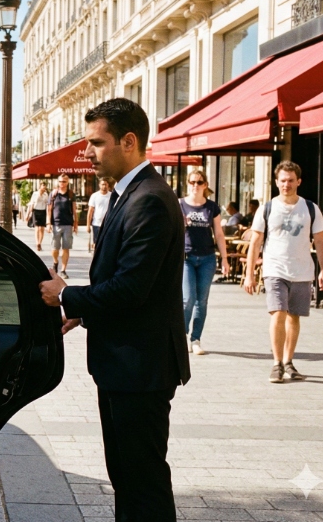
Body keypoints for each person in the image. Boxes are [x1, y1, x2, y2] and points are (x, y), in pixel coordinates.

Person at [39, 98, 190, 522]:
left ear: (128, 141)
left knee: (141, 481)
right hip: (129, 364)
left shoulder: (150, 200)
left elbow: (131, 289)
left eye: (96, 142)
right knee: (127, 475)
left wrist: (68, 297)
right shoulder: (133, 195)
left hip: (140, 368)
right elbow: (125, 282)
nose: (87, 152)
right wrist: (84, 312)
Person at [244, 161, 323, 383]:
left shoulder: (310, 208)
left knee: (294, 318)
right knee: (278, 313)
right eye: (282, 180)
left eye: (291, 180)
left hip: (302, 271)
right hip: (275, 269)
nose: (286, 184)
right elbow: (255, 242)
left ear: (298, 182)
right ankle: (277, 363)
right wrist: (249, 274)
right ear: (276, 182)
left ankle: (289, 361)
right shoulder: (267, 208)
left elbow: (320, 241)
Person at [179, 170, 230, 355]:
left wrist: (224, 259)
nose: (195, 185)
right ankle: (181, 337)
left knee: (202, 301)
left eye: (199, 182)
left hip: (207, 258)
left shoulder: (211, 207)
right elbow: (169, 231)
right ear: (187, 183)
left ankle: (196, 339)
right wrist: (181, 224)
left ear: (205, 185)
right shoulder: (180, 205)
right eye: (192, 182)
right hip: (186, 258)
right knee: (188, 299)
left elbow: (218, 233)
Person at [47, 174, 78, 278]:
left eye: (64, 182)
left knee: (66, 248)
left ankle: (63, 270)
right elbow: (49, 209)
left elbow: (74, 210)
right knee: (55, 248)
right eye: (60, 181)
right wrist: (48, 223)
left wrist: (76, 223)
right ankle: (55, 262)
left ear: (67, 182)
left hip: (68, 224)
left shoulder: (70, 194)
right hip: (56, 223)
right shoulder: (53, 194)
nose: (62, 184)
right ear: (57, 182)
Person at [86, 177, 114, 248]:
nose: (104, 186)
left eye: (105, 184)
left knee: (107, 244)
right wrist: (88, 225)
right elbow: (90, 211)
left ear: (108, 185)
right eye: (102, 184)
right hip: (97, 224)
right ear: (99, 185)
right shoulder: (95, 196)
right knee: (96, 244)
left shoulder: (112, 196)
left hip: (108, 223)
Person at [30, 182, 50, 250]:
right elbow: (32, 203)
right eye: (43, 186)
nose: (44, 188)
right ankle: (37, 243)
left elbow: (47, 204)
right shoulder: (35, 194)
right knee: (37, 228)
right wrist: (29, 213)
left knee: (42, 229)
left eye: (45, 187)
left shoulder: (46, 194)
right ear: (40, 186)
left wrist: (48, 214)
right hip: (36, 211)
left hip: (43, 211)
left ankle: (40, 243)